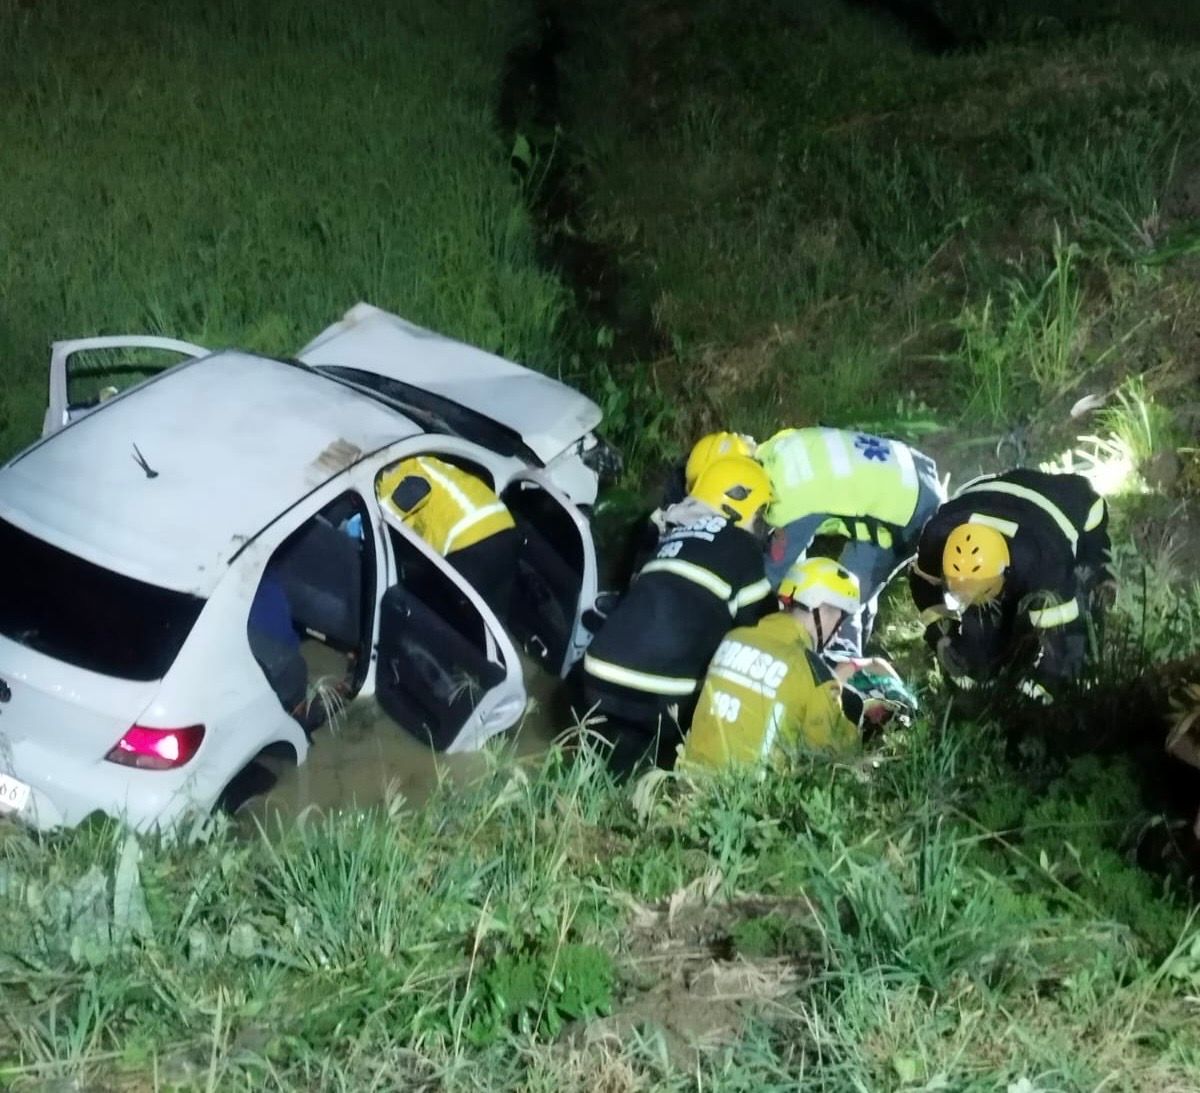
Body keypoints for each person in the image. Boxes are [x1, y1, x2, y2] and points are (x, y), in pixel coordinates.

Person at [581, 455, 774, 776]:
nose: (764, 524)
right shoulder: (741, 545)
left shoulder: (671, 535)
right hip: (656, 692)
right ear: (739, 505)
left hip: (598, 672)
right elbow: (763, 629)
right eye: (761, 512)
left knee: (604, 767)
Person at [908, 467, 1113, 702]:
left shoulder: (1045, 558)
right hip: (987, 493)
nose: (969, 600)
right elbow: (924, 584)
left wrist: (1046, 683)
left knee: (1085, 589)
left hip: (1075, 503)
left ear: (1006, 570)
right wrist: (941, 635)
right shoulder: (936, 536)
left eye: (982, 590)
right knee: (980, 654)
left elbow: (1064, 633)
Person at [755, 426, 945, 659]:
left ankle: (844, 665)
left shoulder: (788, 497)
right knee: (853, 584)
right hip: (909, 469)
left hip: (908, 511)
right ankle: (853, 649)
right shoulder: (775, 450)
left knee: (843, 598)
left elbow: (774, 574)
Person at [679, 557, 866, 771]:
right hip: (752, 788)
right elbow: (839, 749)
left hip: (691, 778)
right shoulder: (814, 674)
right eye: (840, 617)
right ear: (822, 609)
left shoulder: (734, 637)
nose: (839, 630)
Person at [376, 455, 519, 621]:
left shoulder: (392, 472)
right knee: (493, 613)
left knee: (456, 618)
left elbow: (418, 487)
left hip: (470, 540)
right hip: (503, 530)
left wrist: (380, 513)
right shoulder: (424, 462)